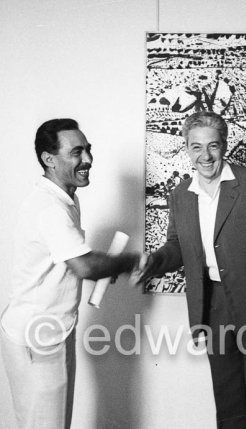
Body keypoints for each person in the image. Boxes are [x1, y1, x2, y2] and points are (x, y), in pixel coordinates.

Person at [138, 111, 246, 429]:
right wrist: (153, 262)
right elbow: (178, 246)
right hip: (213, 306)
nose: (205, 156)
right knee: (228, 405)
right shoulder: (181, 195)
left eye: (212, 145)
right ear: (187, 148)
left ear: (224, 145)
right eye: (196, 147)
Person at [0, 118, 140, 429]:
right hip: (37, 338)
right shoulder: (50, 208)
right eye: (76, 152)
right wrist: (127, 262)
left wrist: (105, 264)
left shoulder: (66, 199)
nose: (88, 159)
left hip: (52, 332)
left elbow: (73, 261)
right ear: (48, 160)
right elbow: (85, 266)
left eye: (87, 150)